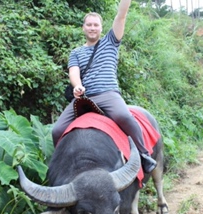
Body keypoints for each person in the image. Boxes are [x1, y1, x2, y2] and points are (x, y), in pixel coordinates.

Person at [52, 0, 157, 173]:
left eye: (96, 25)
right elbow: (73, 72)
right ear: (83, 28)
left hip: (108, 94)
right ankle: (61, 165)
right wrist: (77, 86)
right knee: (57, 130)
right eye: (89, 25)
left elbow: (121, 15)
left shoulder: (110, 42)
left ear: (101, 28)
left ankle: (143, 154)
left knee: (124, 116)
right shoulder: (76, 52)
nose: (92, 28)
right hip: (85, 98)